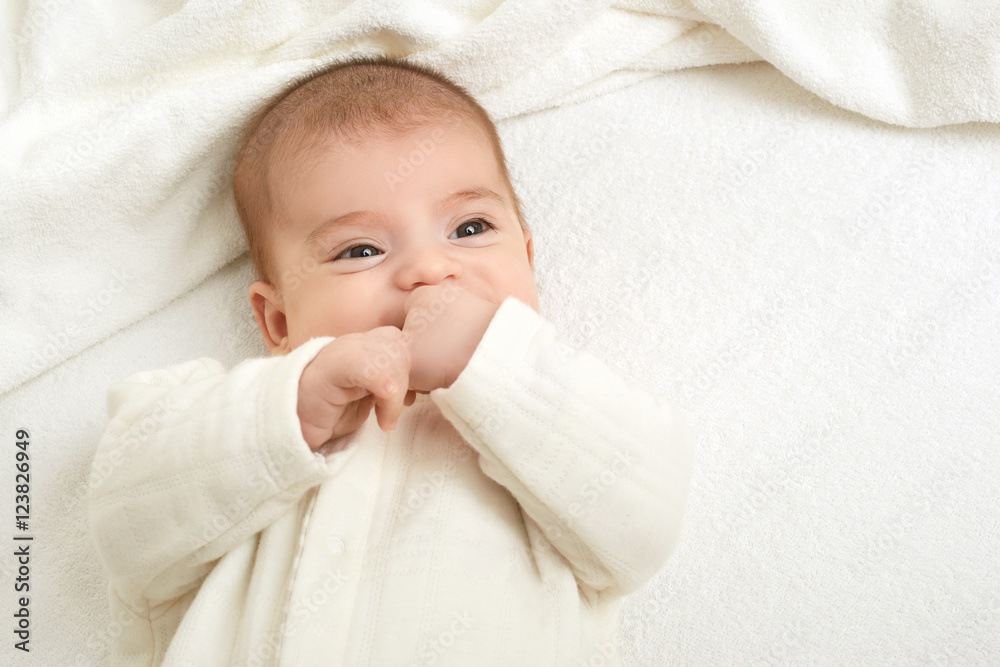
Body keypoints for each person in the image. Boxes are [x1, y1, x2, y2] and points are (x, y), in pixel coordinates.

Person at [88, 55, 693, 666]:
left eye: (470, 227)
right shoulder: (224, 414)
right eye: (361, 249)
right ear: (278, 321)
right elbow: (124, 526)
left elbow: (643, 529)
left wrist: (490, 358)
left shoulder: (559, 408)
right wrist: (289, 409)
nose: (430, 269)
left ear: (528, 262)